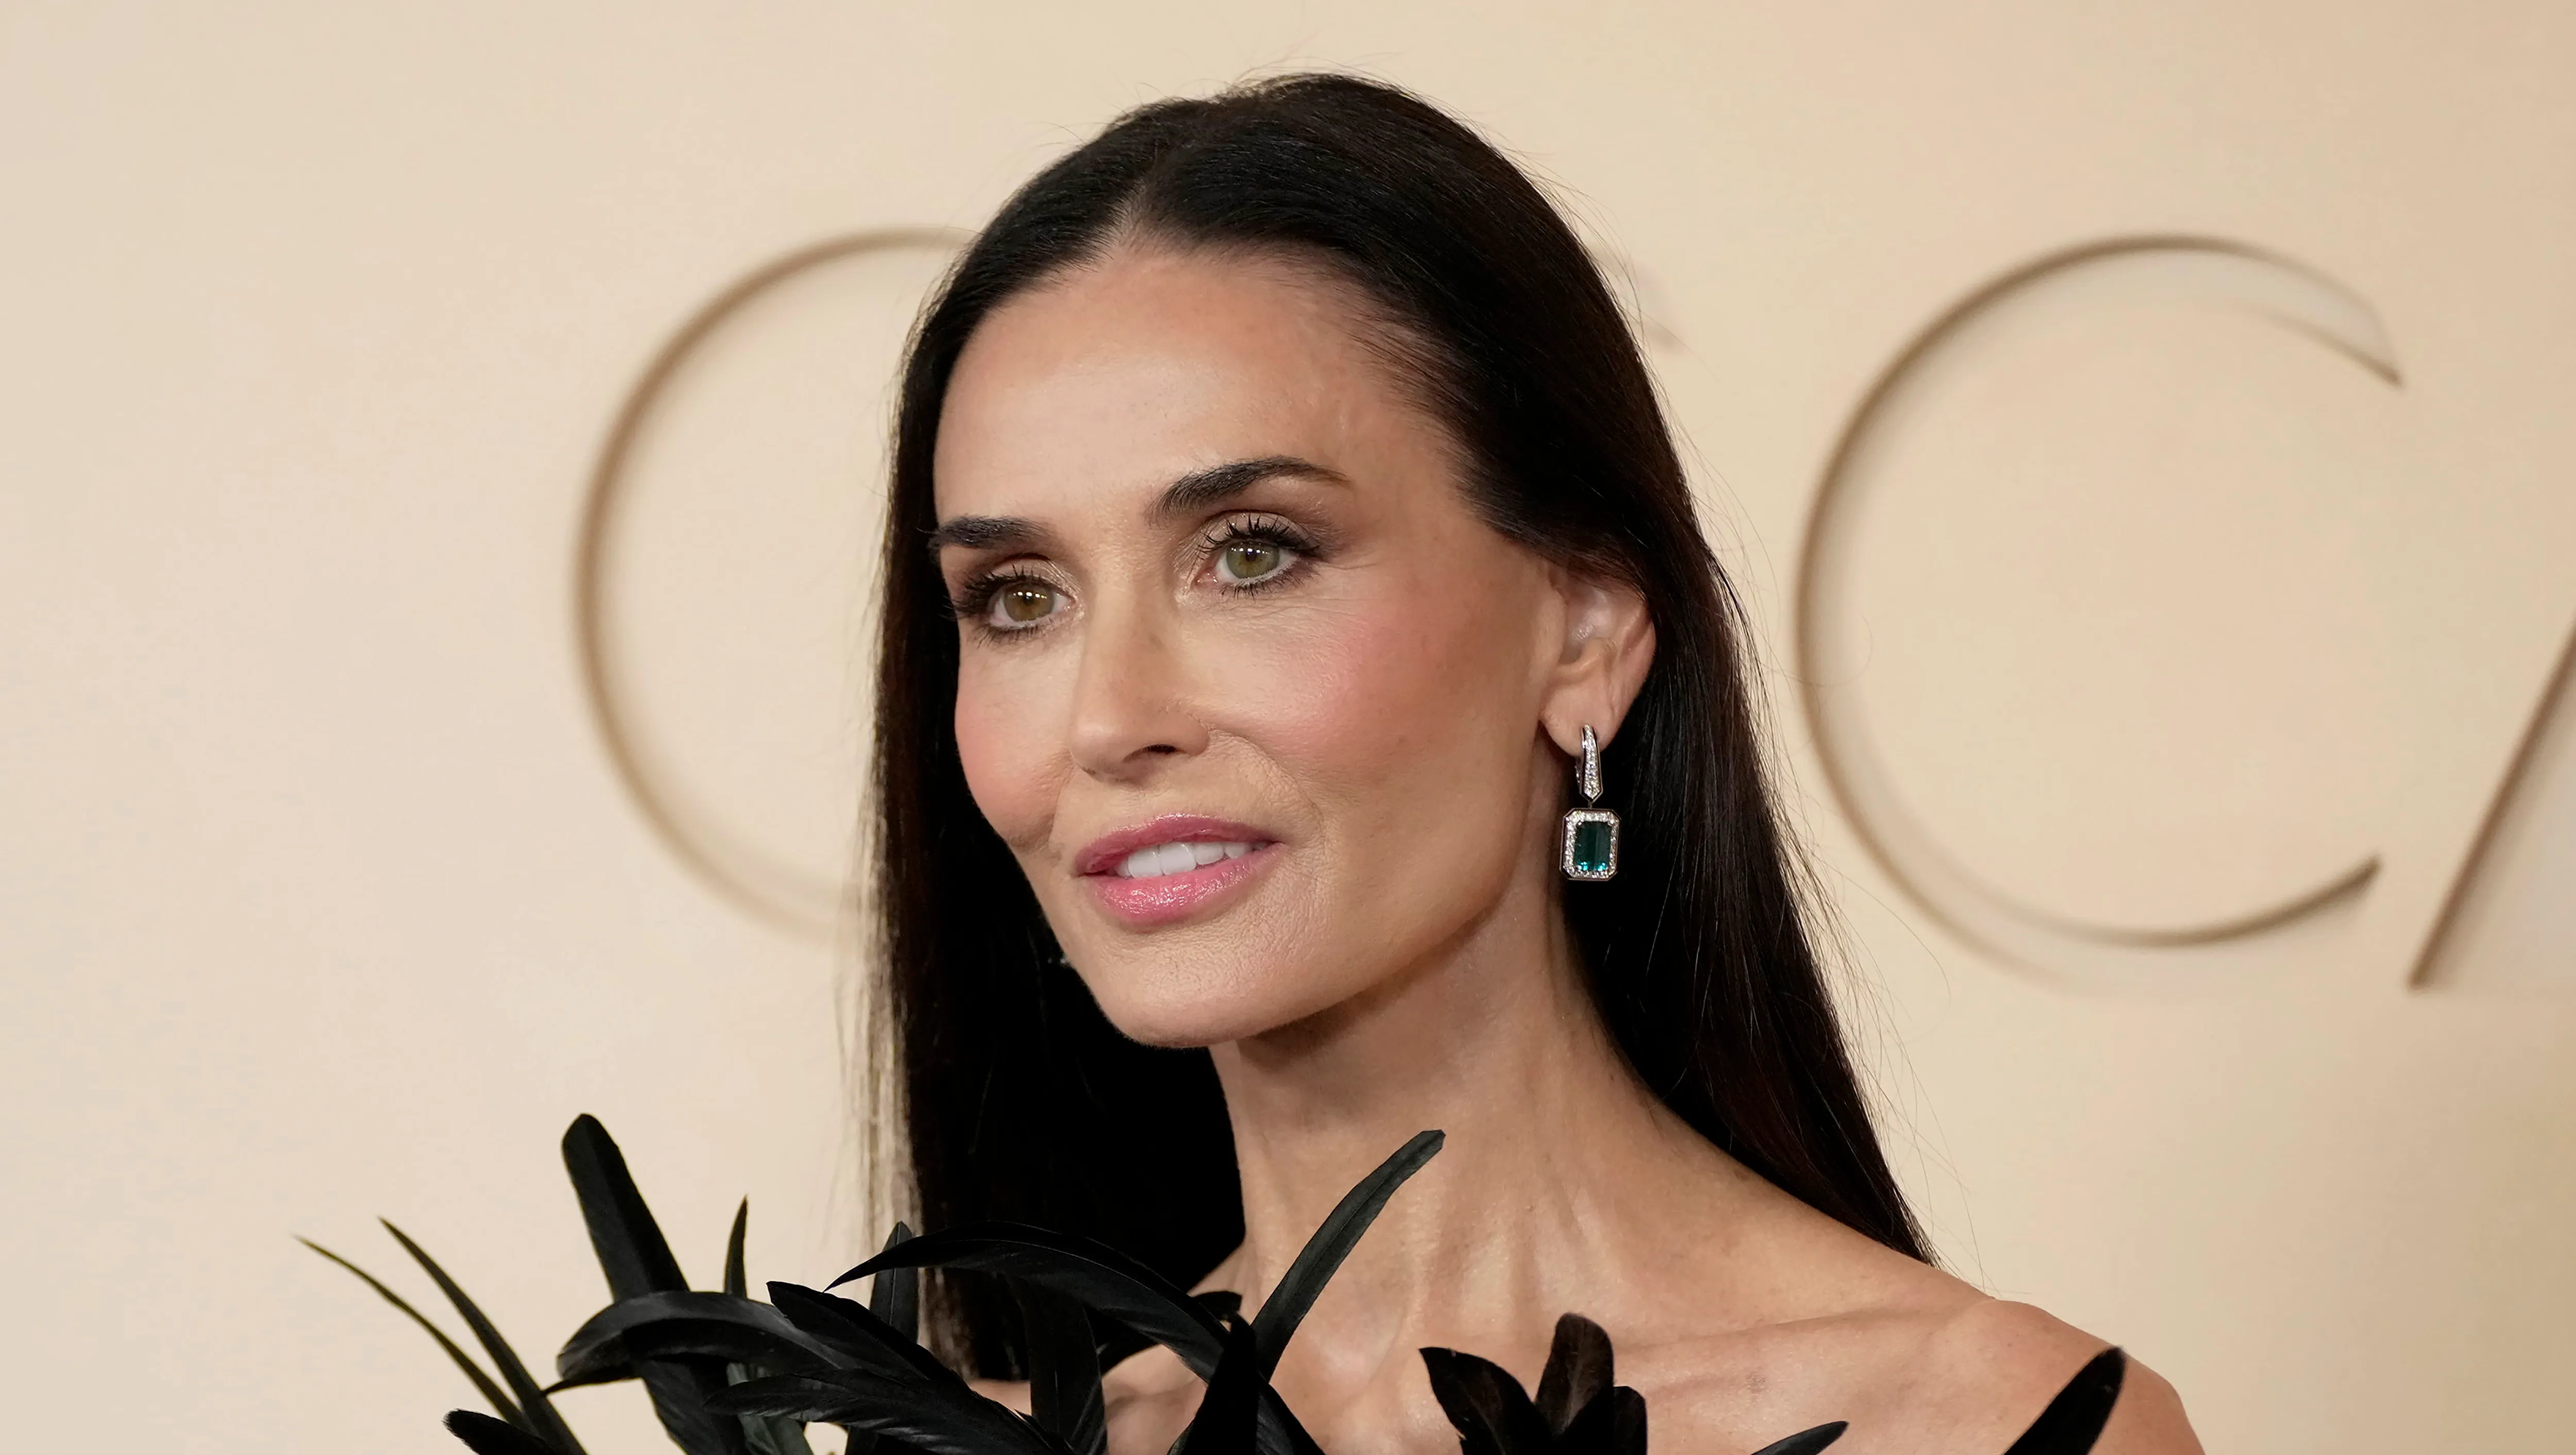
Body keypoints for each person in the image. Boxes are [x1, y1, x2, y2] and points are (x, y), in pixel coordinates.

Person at [867, 73, 2202, 1455]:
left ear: (1584, 632)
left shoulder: (1982, 1430)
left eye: (1253, 553)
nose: (1107, 717)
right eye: (1020, 597)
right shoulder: (958, 1444)